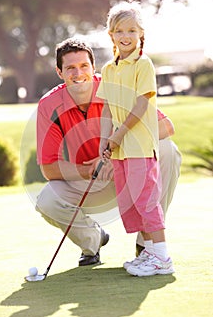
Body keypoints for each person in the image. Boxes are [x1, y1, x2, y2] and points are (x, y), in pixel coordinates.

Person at [35, 37, 181, 269]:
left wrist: (118, 155)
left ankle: (148, 242)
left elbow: (166, 127)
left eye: (84, 66)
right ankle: (93, 241)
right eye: (70, 68)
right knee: (47, 199)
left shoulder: (115, 87)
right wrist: (89, 168)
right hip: (90, 183)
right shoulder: (48, 105)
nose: (78, 73)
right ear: (59, 72)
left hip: (132, 170)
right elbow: (48, 168)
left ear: (94, 69)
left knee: (167, 150)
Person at [97, 0, 175, 276]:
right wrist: (104, 141)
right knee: (130, 203)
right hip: (119, 150)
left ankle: (162, 258)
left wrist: (117, 135)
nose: (126, 36)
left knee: (146, 201)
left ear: (141, 33)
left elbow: (141, 105)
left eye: (132, 30)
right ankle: (150, 254)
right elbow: (106, 108)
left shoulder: (144, 64)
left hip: (139, 146)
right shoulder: (108, 69)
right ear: (111, 35)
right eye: (120, 31)